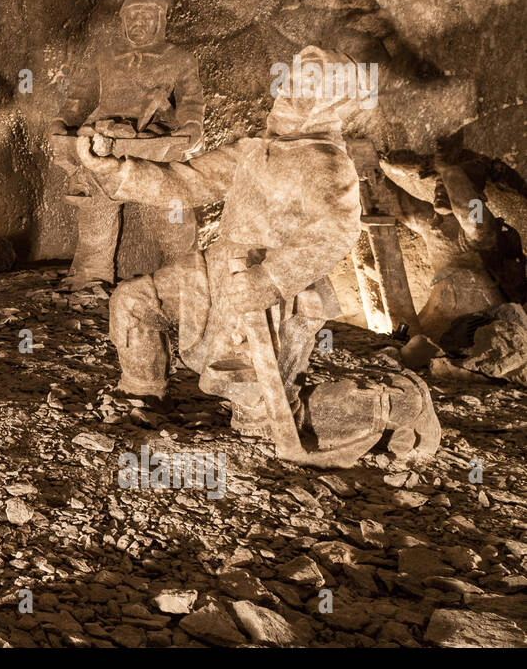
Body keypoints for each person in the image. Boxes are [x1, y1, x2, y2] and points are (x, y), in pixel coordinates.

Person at [79, 46, 440, 466]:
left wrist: (270, 280)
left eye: (309, 82)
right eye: (294, 76)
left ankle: (401, 402)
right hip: (218, 269)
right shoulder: (254, 150)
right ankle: (142, 396)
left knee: (256, 419)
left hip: (272, 295)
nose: (289, 87)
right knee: (134, 301)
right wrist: (116, 170)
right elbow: (188, 183)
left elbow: (335, 233)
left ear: (333, 98)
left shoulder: (326, 162)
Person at [52, 0, 205, 287]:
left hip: (152, 142)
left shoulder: (178, 59)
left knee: (170, 204)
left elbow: (192, 103)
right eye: (132, 16)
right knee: (96, 204)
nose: (138, 22)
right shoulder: (106, 57)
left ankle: (185, 275)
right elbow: (79, 98)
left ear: (160, 21)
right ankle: (91, 274)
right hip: (106, 139)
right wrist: (63, 122)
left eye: (146, 16)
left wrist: (189, 127)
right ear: (122, 21)